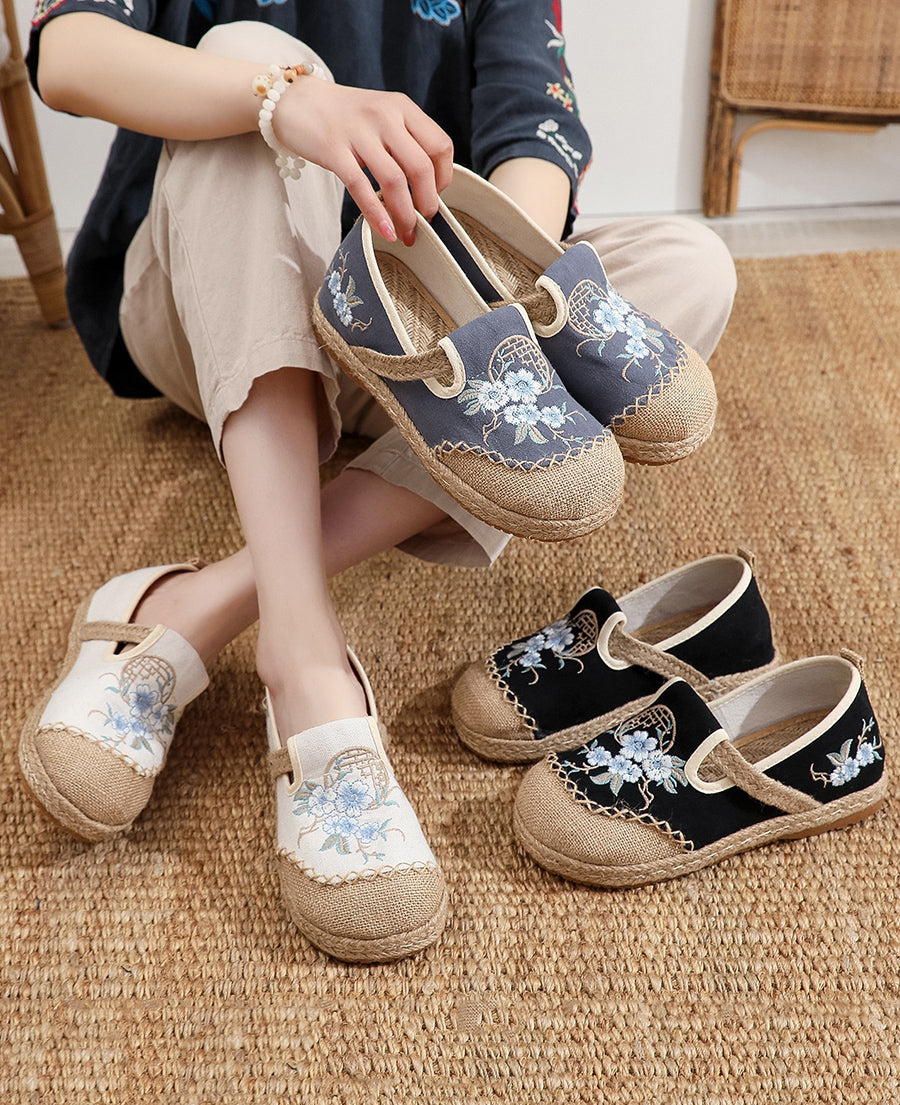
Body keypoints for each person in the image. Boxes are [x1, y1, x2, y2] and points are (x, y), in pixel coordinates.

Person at [22, 1, 737, 957]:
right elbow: (67, 55)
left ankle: (198, 604)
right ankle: (306, 663)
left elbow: (532, 132)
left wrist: (466, 298)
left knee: (689, 268)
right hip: (218, 305)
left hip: (419, 329)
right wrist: (288, 103)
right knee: (250, 61)